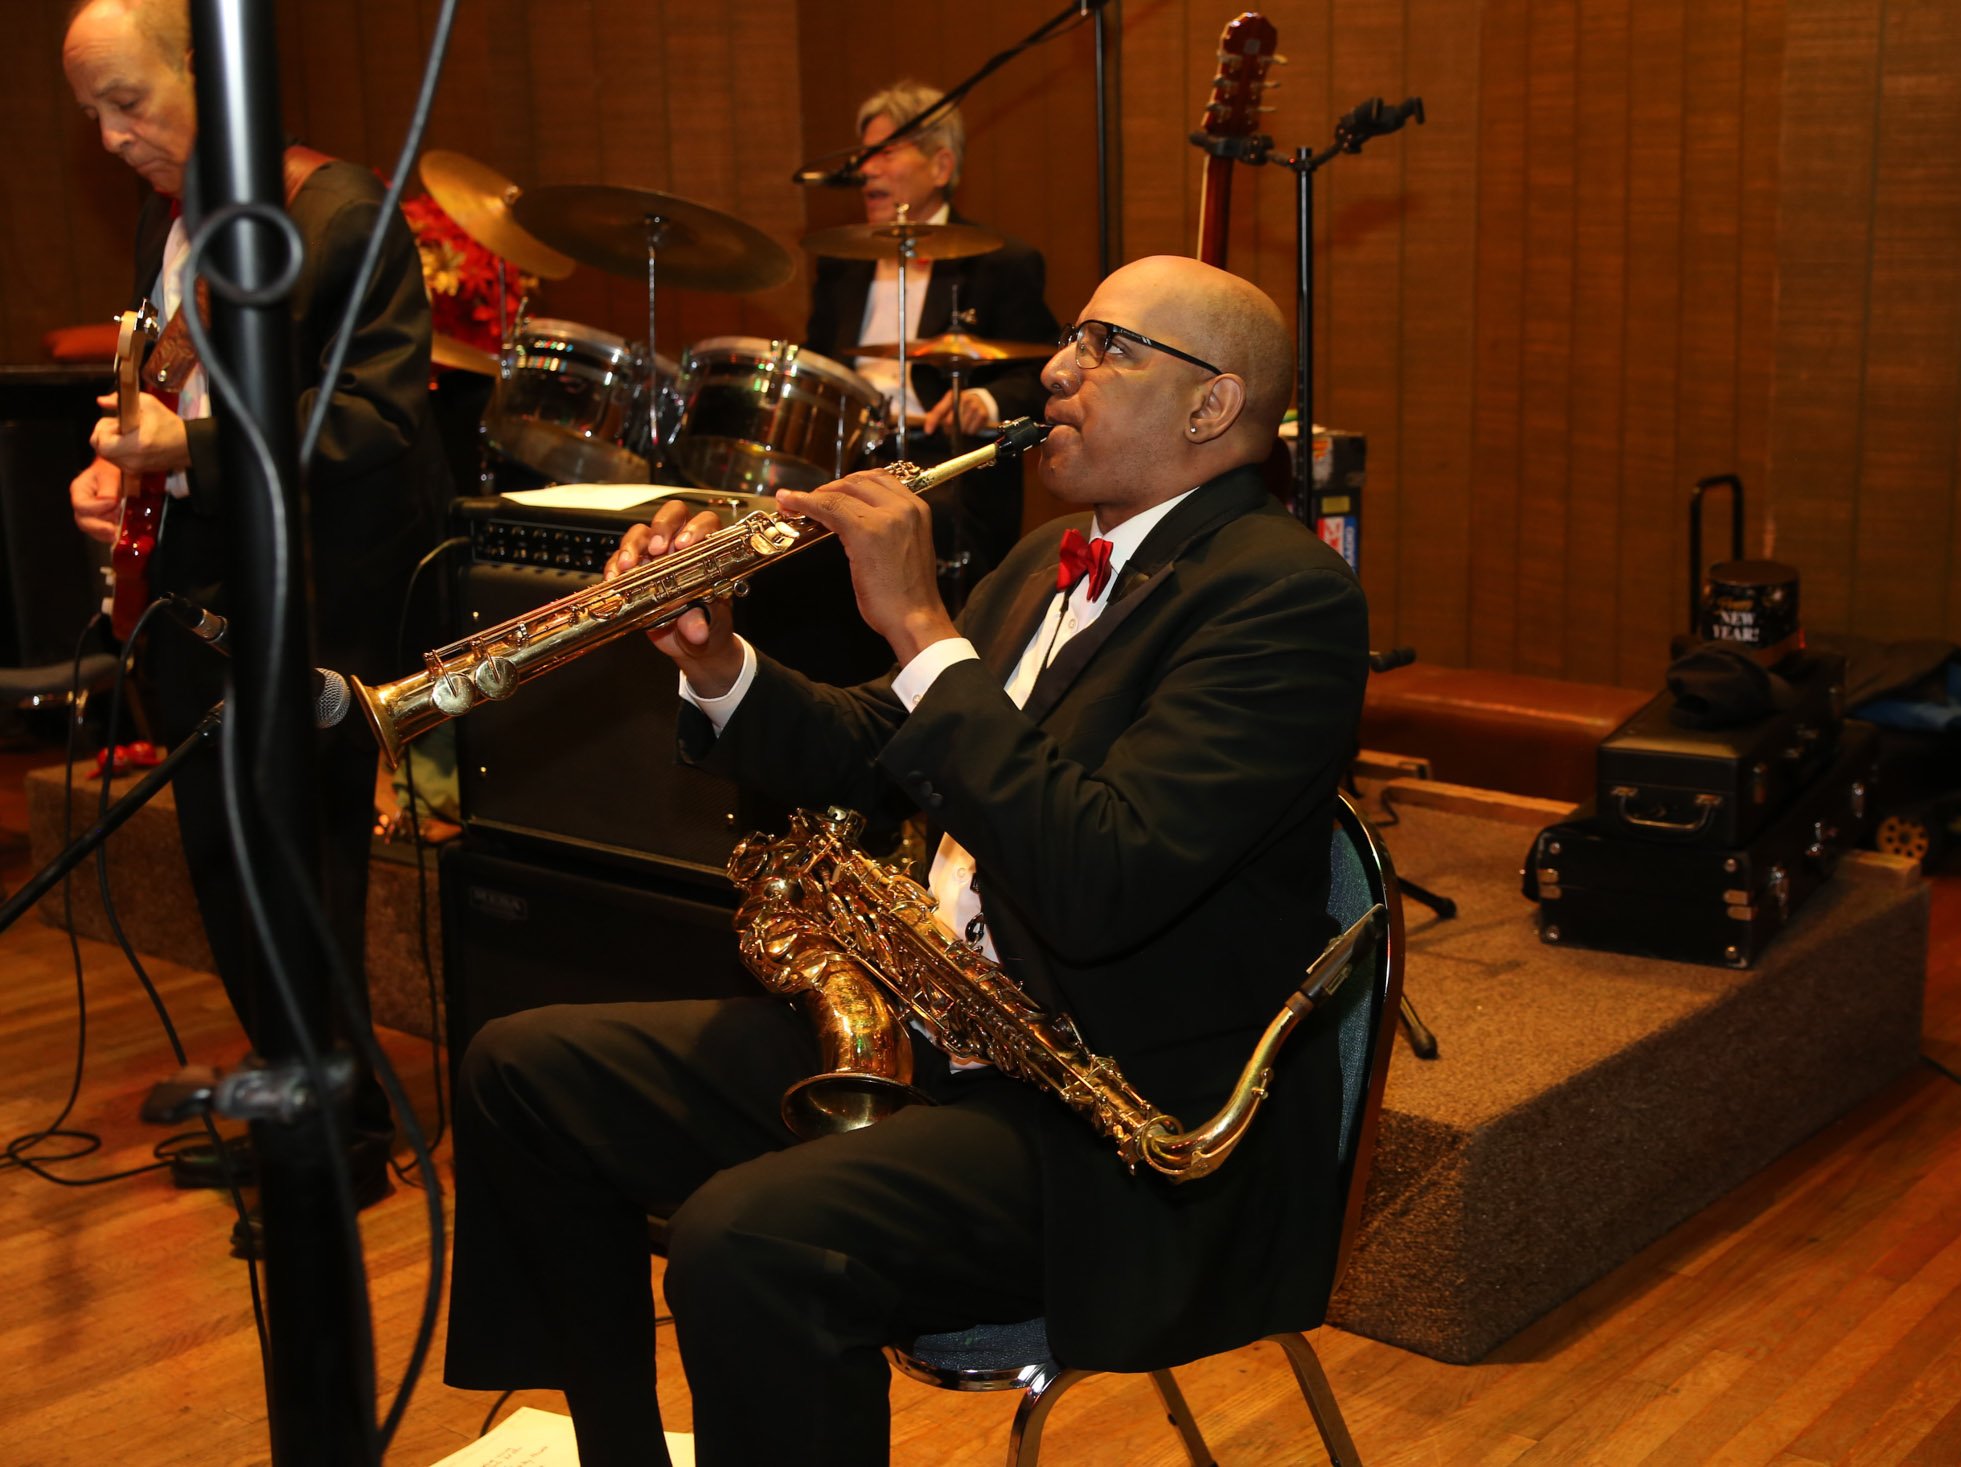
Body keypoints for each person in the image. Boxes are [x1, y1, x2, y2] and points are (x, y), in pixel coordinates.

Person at [445, 254, 1370, 1464]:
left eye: (1106, 347)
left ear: (1211, 405)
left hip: (1107, 1126)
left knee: (749, 1240)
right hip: (939, 1036)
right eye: (1071, 338)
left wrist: (923, 624)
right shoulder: (1044, 561)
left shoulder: (1286, 598)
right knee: (525, 1071)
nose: (1058, 369)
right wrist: (717, 663)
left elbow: (1103, 878)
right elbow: (879, 745)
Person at [61, 0, 445, 1222]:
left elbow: (378, 421)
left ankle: (342, 1138)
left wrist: (192, 453)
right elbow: (166, 392)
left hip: (318, 600)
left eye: (128, 102)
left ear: (206, 66)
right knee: (226, 869)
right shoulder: (168, 218)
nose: (112, 139)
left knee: (303, 870)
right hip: (199, 594)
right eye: (92, 116)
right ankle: (295, 1113)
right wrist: (122, 478)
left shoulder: (340, 214)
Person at [806, 80, 1059, 588]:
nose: (865, 169)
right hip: (849, 456)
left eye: (885, 154)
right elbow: (820, 369)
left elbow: (1042, 374)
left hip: (945, 462)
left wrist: (984, 401)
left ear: (941, 167)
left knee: (920, 521)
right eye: (863, 156)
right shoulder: (842, 265)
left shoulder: (1000, 263)